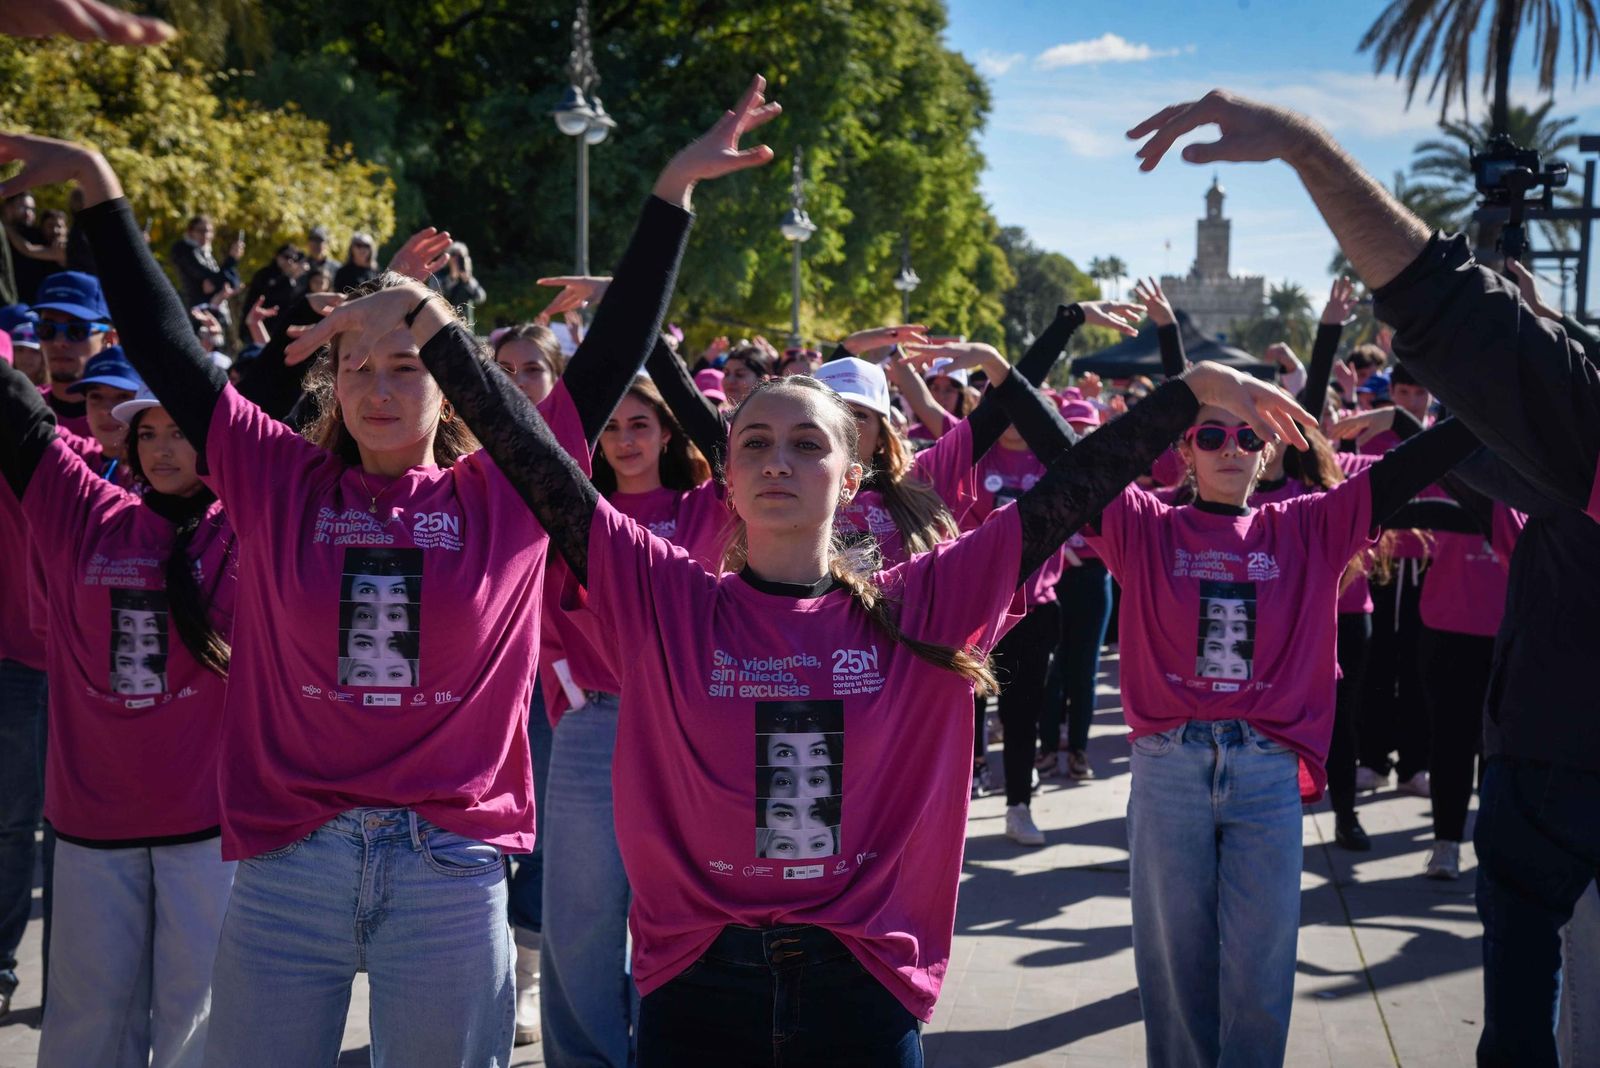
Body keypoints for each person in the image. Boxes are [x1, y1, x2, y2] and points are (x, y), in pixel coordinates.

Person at [297, 242, 1314, 1063]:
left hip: (860, 993)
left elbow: (1064, 495)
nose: (779, 460)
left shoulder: (922, 604)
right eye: (754, 443)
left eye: (808, 443)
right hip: (695, 990)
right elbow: (533, 459)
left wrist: (1189, 394)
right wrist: (426, 325)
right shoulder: (664, 596)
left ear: (853, 470)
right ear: (724, 479)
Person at [0, 78, 777, 1064]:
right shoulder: (278, 481)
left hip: (448, 870)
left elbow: (610, 356)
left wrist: (673, 189)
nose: (378, 384)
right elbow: (168, 353)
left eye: (406, 363)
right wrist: (99, 188)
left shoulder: (505, 492)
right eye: (358, 366)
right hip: (288, 864)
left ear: (446, 381)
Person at [1128, 86, 1600, 1067]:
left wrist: (1307, 150)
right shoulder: (1151, 528)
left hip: (1534, 754)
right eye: (1207, 434)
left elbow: (1452, 364)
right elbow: (1469, 412)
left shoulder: (1308, 521)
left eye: (1236, 433)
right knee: (1181, 988)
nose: (1226, 444)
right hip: (1518, 756)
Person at [1, 366, 237, 1067]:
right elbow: (17, 414)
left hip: (207, 826)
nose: (163, 449)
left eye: (182, 433)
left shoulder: (251, 525)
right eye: (148, 434)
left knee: (198, 1015)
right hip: (91, 825)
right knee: (87, 1018)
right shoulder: (84, 511)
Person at [167, 216, 242, 337]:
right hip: (199, 316)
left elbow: (232, 282)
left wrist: (219, 283)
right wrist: (231, 260)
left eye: (209, 231)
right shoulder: (184, 250)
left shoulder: (206, 253)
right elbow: (211, 276)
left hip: (217, 312)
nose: (205, 235)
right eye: (201, 230)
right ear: (190, 231)